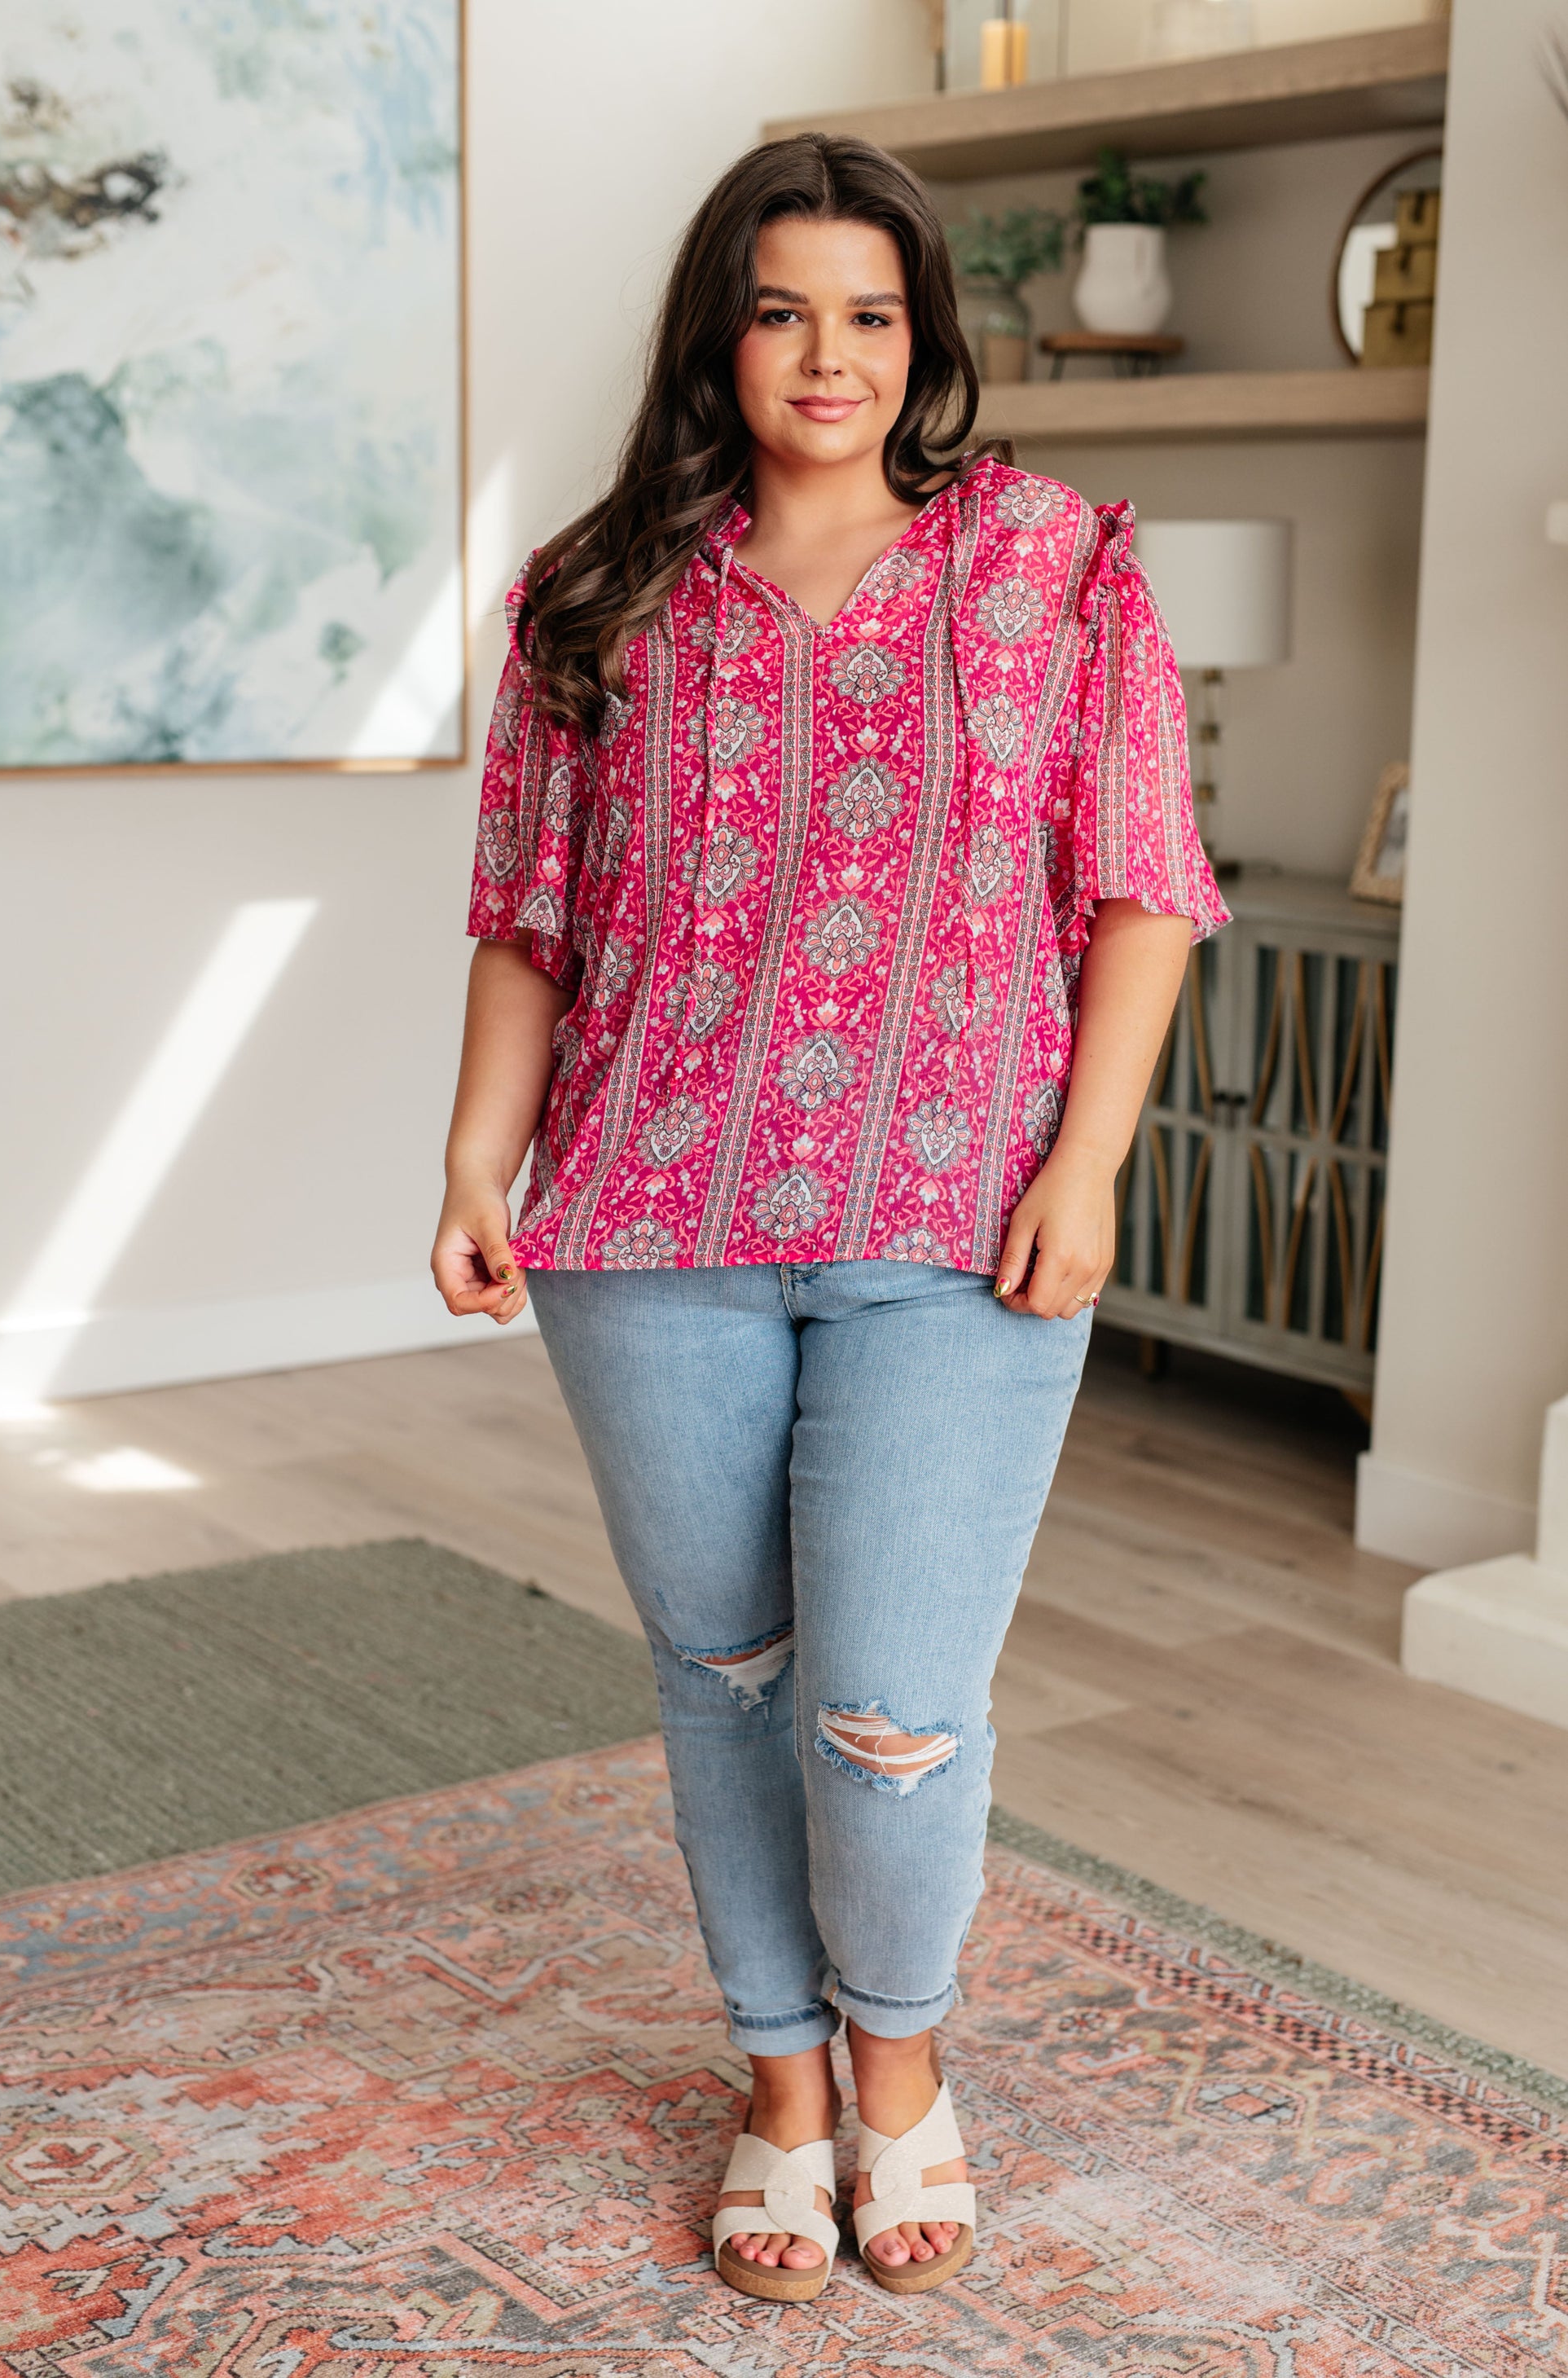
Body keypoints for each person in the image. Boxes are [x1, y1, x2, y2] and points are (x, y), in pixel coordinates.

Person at [432, 132, 1227, 2305]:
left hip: (961, 1228)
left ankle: (904, 2073)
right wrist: (473, 1161)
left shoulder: (1052, 563)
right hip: (645, 1210)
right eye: (779, 307)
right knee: (722, 1676)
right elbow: (531, 915)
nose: (826, 353)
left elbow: (1142, 881)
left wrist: (1089, 1164)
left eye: (869, 312)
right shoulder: (600, 586)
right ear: (718, 330)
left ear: (922, 337)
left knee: (888, 1705)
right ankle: (781, 2090)